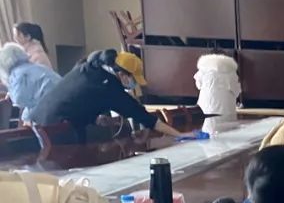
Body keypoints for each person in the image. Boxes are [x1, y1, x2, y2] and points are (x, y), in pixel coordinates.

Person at [26, 49, 184, 141]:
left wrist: (94, 117)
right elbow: (145, 118)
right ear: (122, 74)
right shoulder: (110, 88)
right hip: (55, 129)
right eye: (133, 79)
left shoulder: (89, 68)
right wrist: (180, 136)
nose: (134, 84)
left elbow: (77, 99)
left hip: (37, 121)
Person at [0, 43, 61, 123]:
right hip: (62, 104)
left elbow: (19, 100)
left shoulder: (16, 75)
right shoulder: (36, 67)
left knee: (25, 118)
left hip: (51, 110)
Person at [193, 53, 241, 135]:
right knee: (227, 133)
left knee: (207, 130)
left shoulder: (202, 71)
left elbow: (198, 85)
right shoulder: (231, 72)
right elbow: (236, 91)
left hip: (205, 108)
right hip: (225, 109)